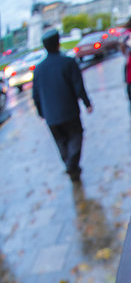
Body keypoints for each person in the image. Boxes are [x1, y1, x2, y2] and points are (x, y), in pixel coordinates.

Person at [32, 29, 93, 182]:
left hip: (51, 116)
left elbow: (36, 95)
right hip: (69, 112)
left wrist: (41, 113)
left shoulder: (39, 69)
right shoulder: (68, 62)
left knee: (61, 143)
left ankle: (71, 167)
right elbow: (78, 86)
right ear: (58, 42)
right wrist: (87, 103)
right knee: (76, 138)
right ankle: (72, 165)